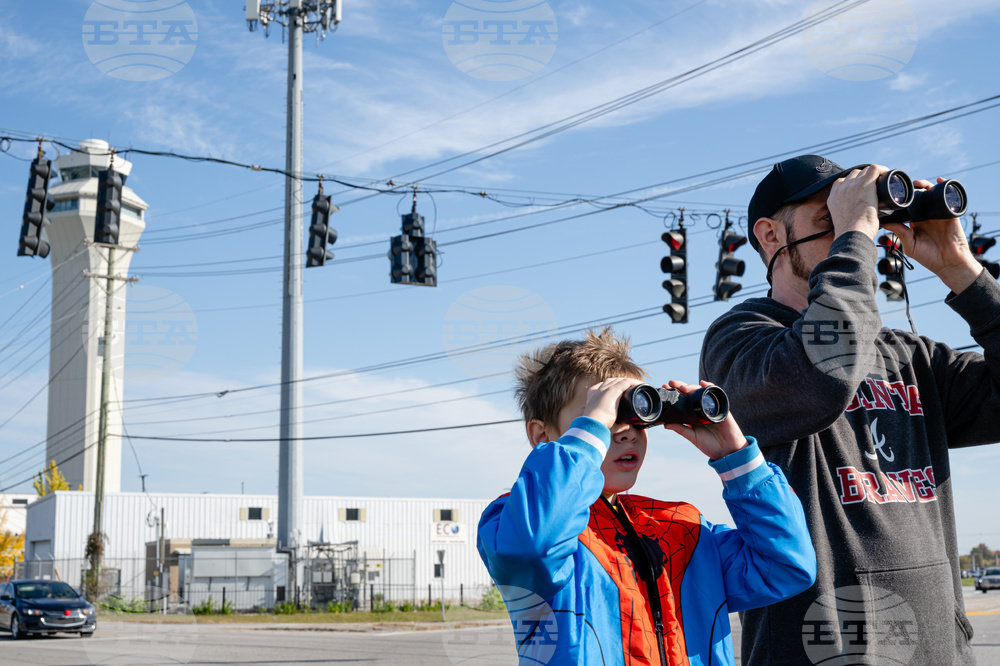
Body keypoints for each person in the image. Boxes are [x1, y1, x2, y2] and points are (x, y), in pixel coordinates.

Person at [700, 154, 1000, 665]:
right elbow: (824, 375)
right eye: (829, 220)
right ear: (770, 236)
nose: (853, 232)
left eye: (858, 220)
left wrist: (962, 270)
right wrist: (856, 236)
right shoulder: (740, 342)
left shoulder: (912, 358)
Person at [477, 328, 816, 665]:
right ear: (542, 435)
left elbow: (787, 565)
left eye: (635, 419)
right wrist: (593, 427)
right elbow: (532, 548)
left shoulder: (683, 528)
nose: (625, 431)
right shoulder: (513, 518)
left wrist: (739, 457)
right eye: (604, 416)